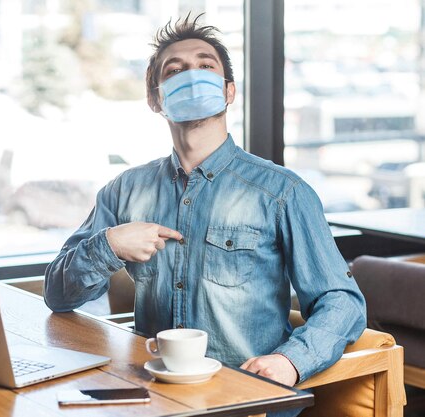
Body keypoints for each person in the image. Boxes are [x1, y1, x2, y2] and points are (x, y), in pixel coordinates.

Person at [44, 13, 366, 410]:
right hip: (153, 399)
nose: (191, 75)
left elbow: (343, 301)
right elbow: (58, 295)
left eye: (205, 66)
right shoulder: (123, 190)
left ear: (229, 91)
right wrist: (108, 245)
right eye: (174, 70)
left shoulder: (284, 192)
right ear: (155, 98)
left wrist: (290, 362)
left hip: (249, 403)